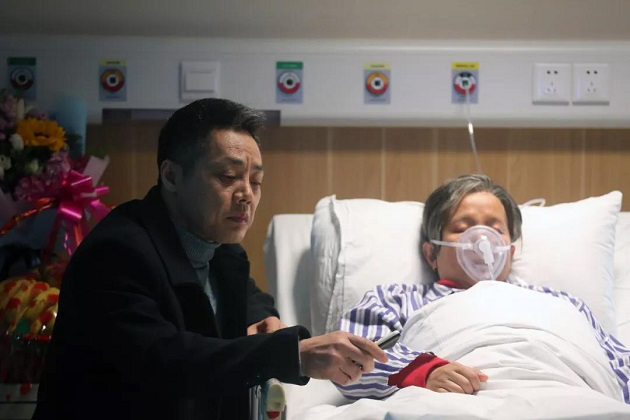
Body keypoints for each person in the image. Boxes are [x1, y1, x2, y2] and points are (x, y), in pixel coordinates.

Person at [34, 98, 386, 420]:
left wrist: (263, 318)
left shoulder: (218, 246)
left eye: (256, 181)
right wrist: (292, 354)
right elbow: (166, 362)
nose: (246, 195)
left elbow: (249, 295)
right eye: (228, 177)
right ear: (172, 176)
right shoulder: (116, 253)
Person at [336, 174, 630, 404]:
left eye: (496, 229)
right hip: (453, 404)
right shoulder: (395, 300)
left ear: (510, 251)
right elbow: (348, 360)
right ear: (431, 254)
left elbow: (620, 366)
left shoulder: (564, 304)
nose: (481, 240)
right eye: (463, 228)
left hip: (572, 398)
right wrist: (423, 373)